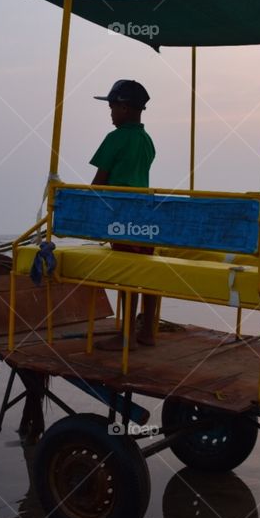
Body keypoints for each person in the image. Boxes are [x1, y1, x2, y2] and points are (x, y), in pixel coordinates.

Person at [88, 79, 158, 350]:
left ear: (126, 108)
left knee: (128, 273)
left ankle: (126, 333)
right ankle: (148, 330)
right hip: (147, 214)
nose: (110, 112)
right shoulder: (146, 140)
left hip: (123, 215)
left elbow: (99, 184)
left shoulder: (115, 139)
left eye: (112, 106)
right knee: (149, 272)